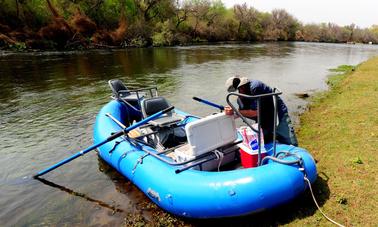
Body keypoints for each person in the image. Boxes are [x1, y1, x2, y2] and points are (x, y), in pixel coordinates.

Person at [225, 76, 298, 146]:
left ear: (243, 85)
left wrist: (235, 111)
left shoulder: (255, 86)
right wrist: (231, 111)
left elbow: (255, 113)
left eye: (240, 88)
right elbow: (243, 112)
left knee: (289, 139)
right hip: (264, 118)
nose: (239, 92)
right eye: (238, 90)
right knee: (266, 140)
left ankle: (297, 154)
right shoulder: (241, 98)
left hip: (277, 113)